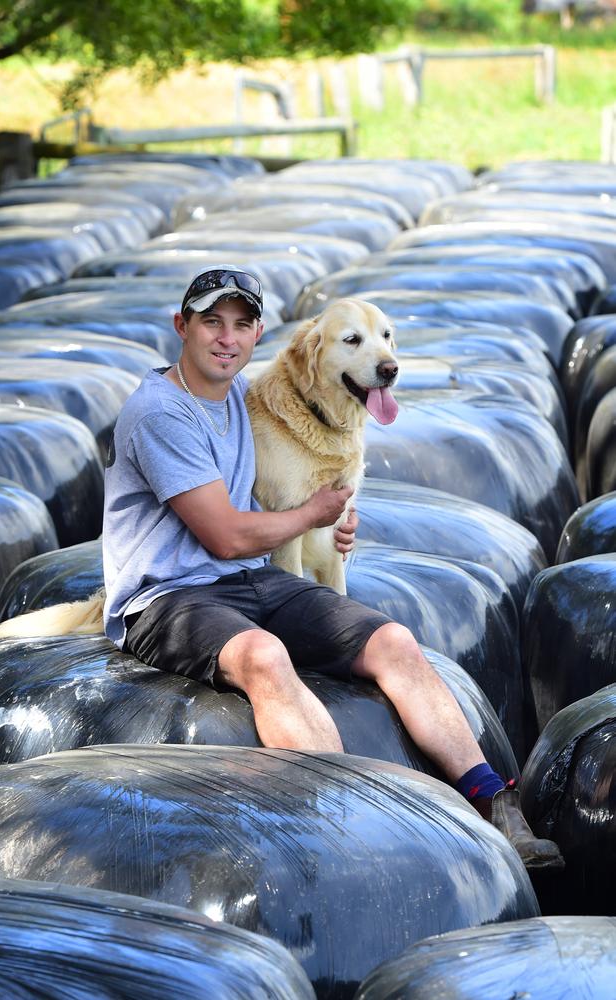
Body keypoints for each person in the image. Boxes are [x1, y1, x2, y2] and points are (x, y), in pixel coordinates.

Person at [102, 265, 563, 871]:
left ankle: (494, 801)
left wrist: (330, 522)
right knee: (265, 656)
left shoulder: (241, 397)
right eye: (210, 322)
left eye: (241, 326)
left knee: (394, 641)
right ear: (180, 326)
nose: (226, 338)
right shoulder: (160, 413)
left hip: (247, 579)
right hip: (166, 598)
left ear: (257, 333)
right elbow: (226, 532)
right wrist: (313, 513)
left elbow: (291, 470)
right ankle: (351, 822)